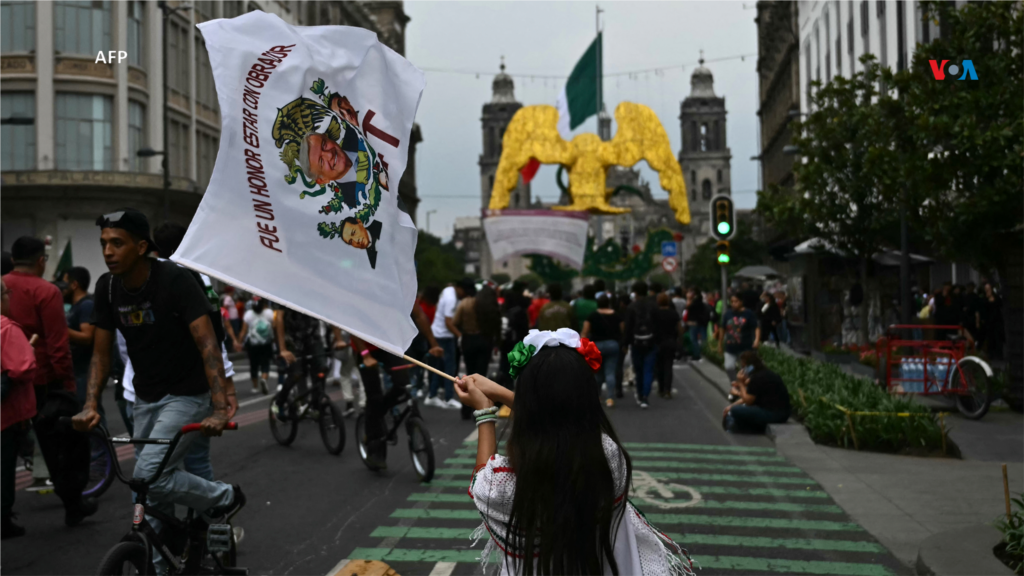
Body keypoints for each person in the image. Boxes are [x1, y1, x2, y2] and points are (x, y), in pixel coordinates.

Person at [72, 209, 244, 571]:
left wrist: (217, 405)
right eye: (104, 244)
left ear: (142, 246)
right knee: (147, 495)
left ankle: (224, 498)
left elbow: (208, 344)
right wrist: (91, 405)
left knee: (149, 476)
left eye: (117, 243)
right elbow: (101, 355)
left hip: (187, 394)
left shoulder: (176, 280)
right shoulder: (107, 287)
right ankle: (159, 566)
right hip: (145, 397)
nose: (108, 252)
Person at [453, 330, 694, 576]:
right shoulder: (609, 456)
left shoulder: (508, 483)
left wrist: (485, 411)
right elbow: (561, 415)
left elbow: (481, 480)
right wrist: (500, 392)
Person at [3, 236, 96, 526]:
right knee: (63, 446)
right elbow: (58, 344)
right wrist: (68, 385)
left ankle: (5, 515)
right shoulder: (46, 291)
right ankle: (72, 503)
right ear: (41, 260)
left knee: (5, 449)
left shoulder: (3, 285)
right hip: (43, 379)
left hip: (7, 378)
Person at [0, 275, 38, 538]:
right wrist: (29, 350)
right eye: (6, 294)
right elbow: (22, 367)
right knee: (3, 469)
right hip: (6, 415)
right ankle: (3, 520)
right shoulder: (6, 328)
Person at [454, 285, 502, 420]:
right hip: (484, 340)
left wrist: (462, 332)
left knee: (468, 374)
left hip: (468, 340)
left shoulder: (466, 303)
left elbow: (455, 321)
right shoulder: (489, 306)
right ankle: (479, 407)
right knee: (480, 375)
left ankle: (465, 409)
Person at [723, 351, 791, 433]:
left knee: (735, 411)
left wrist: (740, 383)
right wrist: (731, 406)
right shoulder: (764, 374)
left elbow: (748, 401)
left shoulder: (757, 378)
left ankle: (741, 427)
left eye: (743, 367)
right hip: (783, 413)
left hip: (774, 414)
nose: (742, 370)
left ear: (750, 367)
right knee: (734, 409)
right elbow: (749, 396)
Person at [426, 281, 464, 409]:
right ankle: (448, 398)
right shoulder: (452, 298)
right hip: (445, 336)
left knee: (438, 368)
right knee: (449, 368)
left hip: (437, 333)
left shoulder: (448, 290)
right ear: (459, 288)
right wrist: (460, 336)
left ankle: (432, 395)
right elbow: (449, 322)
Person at [61, 267, 95, 407]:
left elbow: (87, 336)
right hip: (77, 369)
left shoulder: (86, 305)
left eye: (64, 284)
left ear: (74, 285)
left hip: (83, 370)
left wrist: (60, 330)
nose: (62, 289)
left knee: (89, 410)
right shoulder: (75, 307)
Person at [581, 294, 623, 407]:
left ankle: (597, 396)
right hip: (612, 345)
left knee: (597, 373)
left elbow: (585, 331)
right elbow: (622, 331)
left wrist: (583, 345)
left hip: (596, 346)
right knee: (610, 372)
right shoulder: (616, 315)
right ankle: (610, 397)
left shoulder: (592, 315)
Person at [624, 281, 658, 408]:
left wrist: (625, 344)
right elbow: (658, 325)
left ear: (636, 292)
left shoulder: (631, 307)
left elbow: (628, 327)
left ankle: (639, 393)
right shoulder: (653, 306)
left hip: (636, 341)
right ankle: (645, 395)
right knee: (648, 369)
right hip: (651, 341)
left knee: (638, 370)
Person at [717, 293, 760, 380]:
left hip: (745, 347)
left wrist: (756, 340)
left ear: (741, 302)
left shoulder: (748, 313)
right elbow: (722, 329)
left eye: (736, 301)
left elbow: (756, 327)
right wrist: (720, 344)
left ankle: (744, 386)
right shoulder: (728, 314)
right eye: (732, 301)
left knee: (746, 370)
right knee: (728, 367)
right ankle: (734, 383)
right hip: (730, 347)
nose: (733, 304)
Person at [237, 297, 274, 395]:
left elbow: (243, 331)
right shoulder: (269, 313)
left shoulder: (248, 314)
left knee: (254, 365)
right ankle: (264, 378)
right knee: (265, 363)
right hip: (266, 343)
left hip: (252, 344)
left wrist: (239, 343)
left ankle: (255, 387)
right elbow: (274, 326)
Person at [652, 292, 680, 400]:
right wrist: (679, 342)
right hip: (671, 341)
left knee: (659, 366)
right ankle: (668, 390)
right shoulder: (673, 313)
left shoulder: (655, 313)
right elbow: (679, 328)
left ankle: (661, 388)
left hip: (658, 342)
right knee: (668, 366)